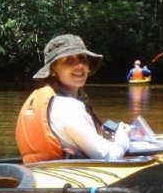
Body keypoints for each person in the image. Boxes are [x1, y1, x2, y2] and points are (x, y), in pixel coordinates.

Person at [15, 34, 132, 163]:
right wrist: (122, 138)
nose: (79, 65)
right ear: (52, 69)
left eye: (82, 58)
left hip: (41, 172)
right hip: (68, 178)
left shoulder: (48, 101)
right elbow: (108, 157)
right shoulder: (68, 107)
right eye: (69, 60)